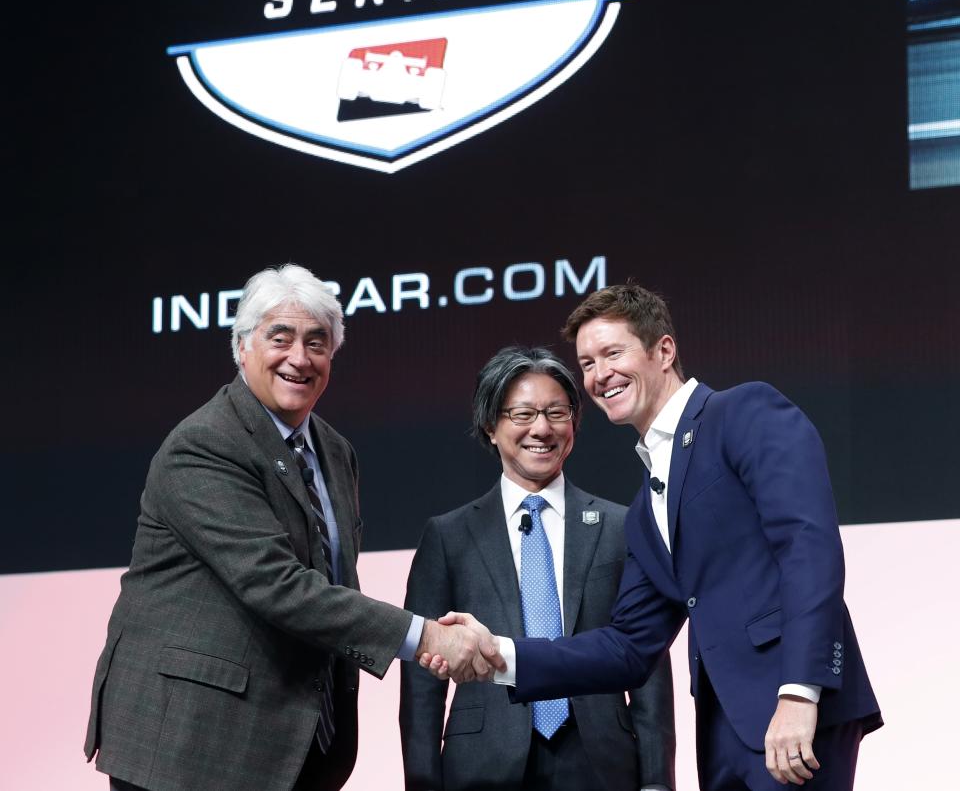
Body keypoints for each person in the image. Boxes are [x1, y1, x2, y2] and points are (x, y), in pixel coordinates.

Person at [424, 283, 882, 790]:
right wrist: (502, 655)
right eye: (588, 363)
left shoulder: (744, 412)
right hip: (725, 728)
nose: (599, 375)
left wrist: (798, 693)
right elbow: (628, 646)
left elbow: (808, 549)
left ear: (664, 351)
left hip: (794, 712)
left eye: (612, 353)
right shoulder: (644, 510)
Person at [85, 263, 501, 791]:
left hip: (294, 740)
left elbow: (332, 580)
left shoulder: (333, 450)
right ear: (242, 347)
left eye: (317, 342)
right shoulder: (206, 444)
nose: (299, 358)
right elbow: (275, 584)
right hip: (192, 745)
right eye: (279, 338)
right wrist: (423, 636)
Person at [400, 346, 676, 791]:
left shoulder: (622, 526)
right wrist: (422, 782)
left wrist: (658, 781)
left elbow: (649, 664)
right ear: (491, 427)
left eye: (556, 412)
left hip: (602, 760)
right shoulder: (448, 536)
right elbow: (421, 680)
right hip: (482, 766)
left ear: (574, 423)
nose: (542, 429)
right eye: (523, 414)